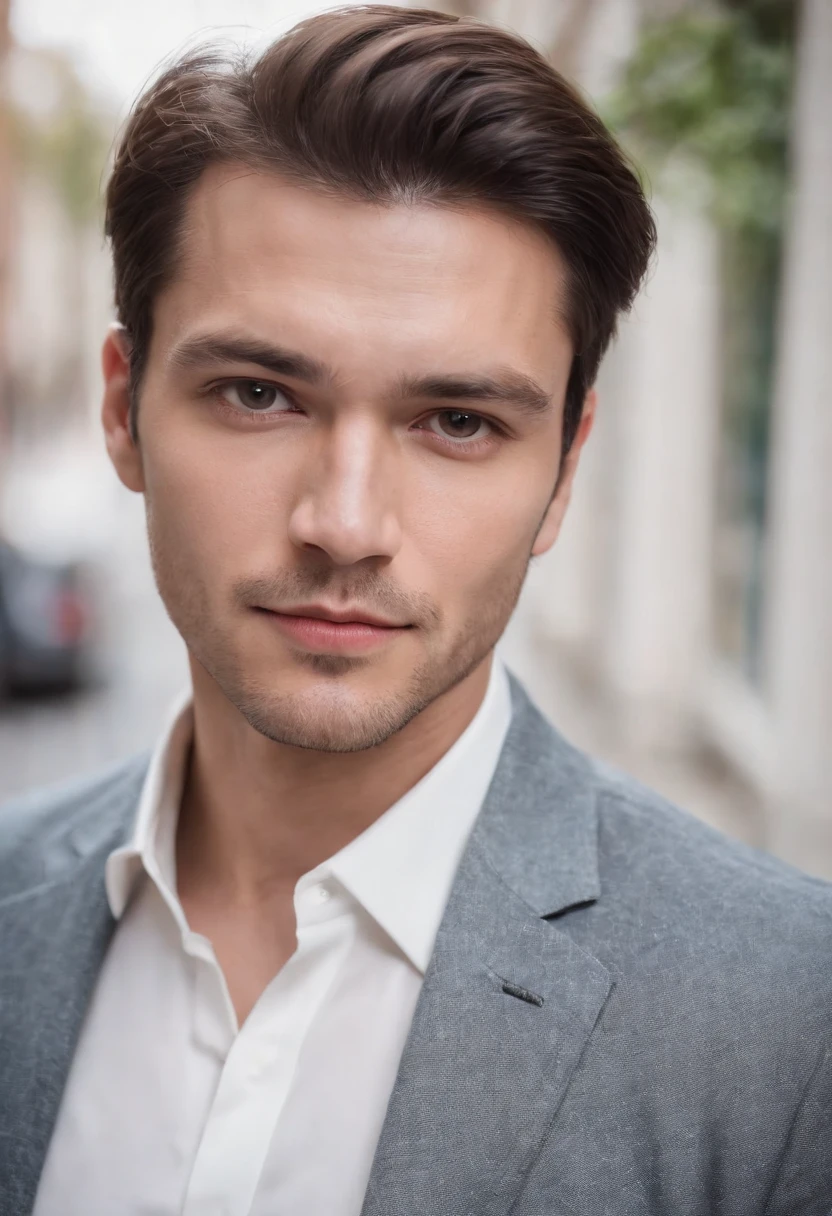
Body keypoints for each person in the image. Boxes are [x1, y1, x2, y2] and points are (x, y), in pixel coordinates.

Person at [0, 6, 829, 1214]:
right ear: (123, 410)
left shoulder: (790, 1023)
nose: (343, 523)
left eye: (458, 423)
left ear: (564, 466)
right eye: (259, 392)